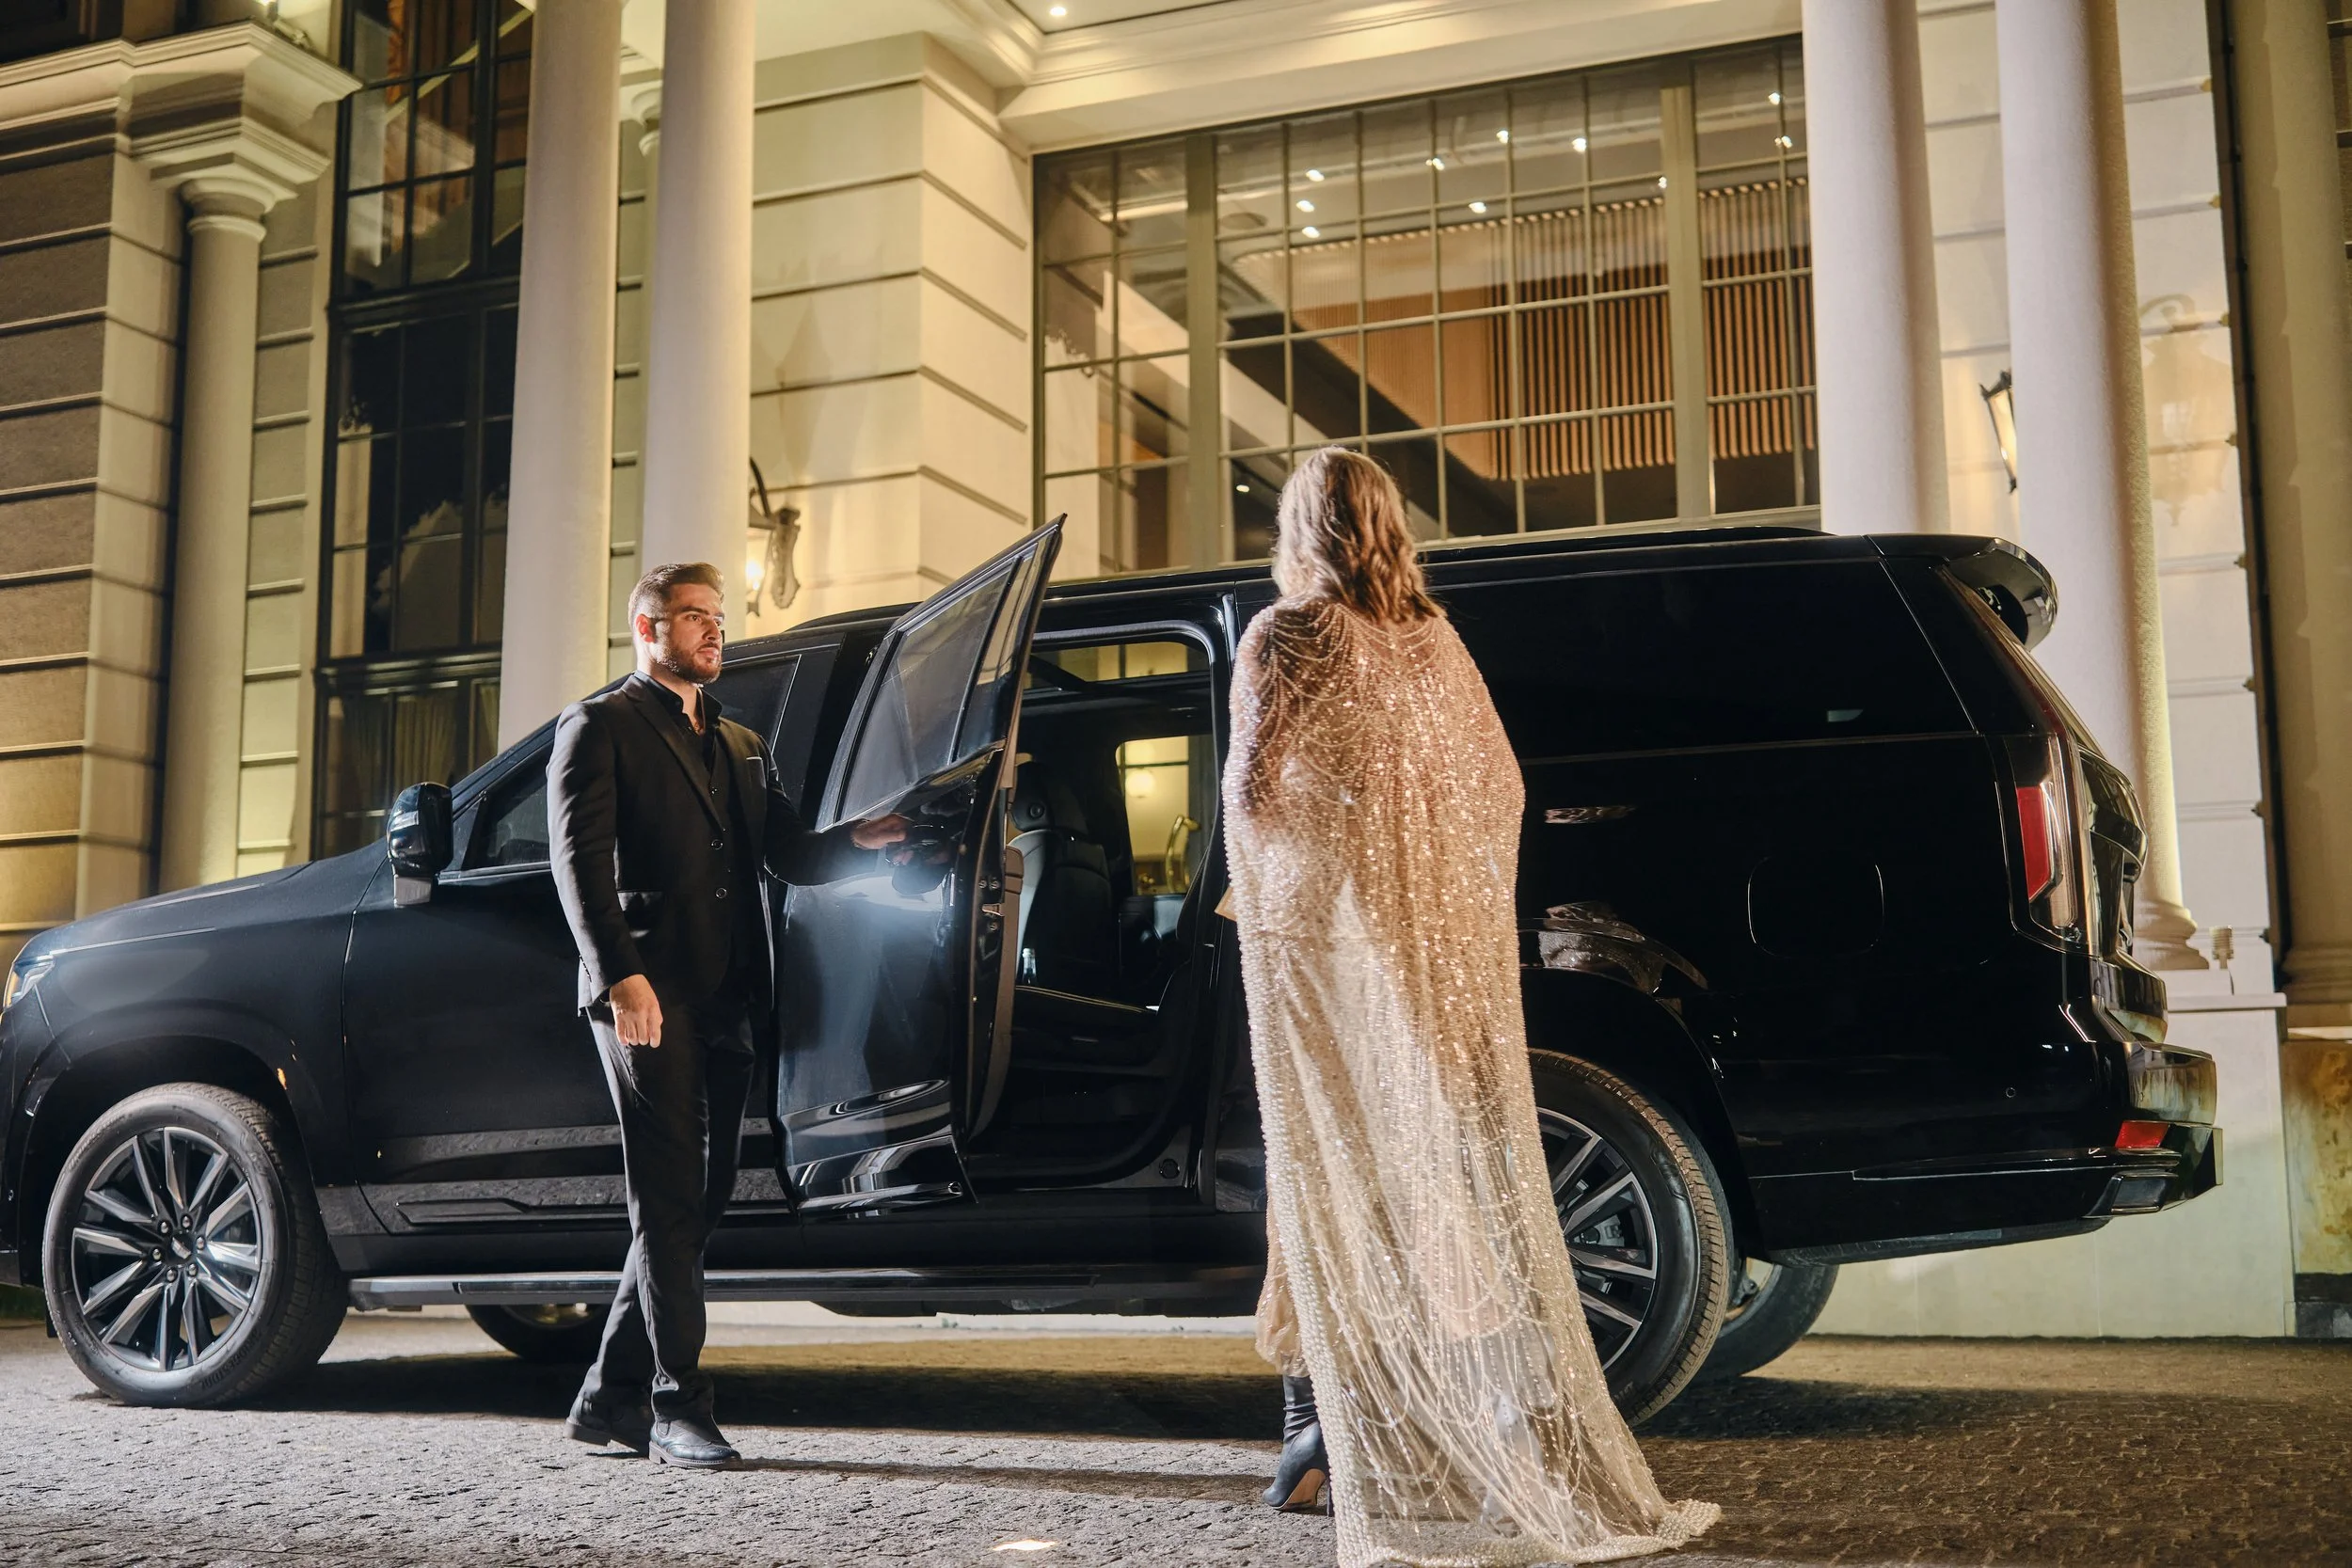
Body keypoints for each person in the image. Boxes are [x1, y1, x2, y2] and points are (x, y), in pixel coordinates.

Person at [1224, 450, 1718, 1563]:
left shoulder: (1287, 633)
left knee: (1319, 1168)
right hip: (1425, 959)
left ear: (1300, 525)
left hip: (1327, 951)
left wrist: (1307, 881)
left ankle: (1320, 1423)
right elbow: (1498, 786)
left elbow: (1251, 793)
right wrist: (1441, 904)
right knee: (1429, 1177)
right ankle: (1444, 1416)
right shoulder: (1435, 640)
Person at [548, 562, 907, 1469]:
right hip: (646, 1001)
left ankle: (607, 1397)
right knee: (668, 1198)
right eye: (695, 617)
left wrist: (859, 845)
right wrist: (619, 976)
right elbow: (577, 866)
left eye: (719, 616)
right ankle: (677, 1402)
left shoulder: (743, 742)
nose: (715, 631)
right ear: (647, 628)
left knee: (695, 1203)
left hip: (729, 999)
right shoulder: (599, 726)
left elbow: (784, 854)